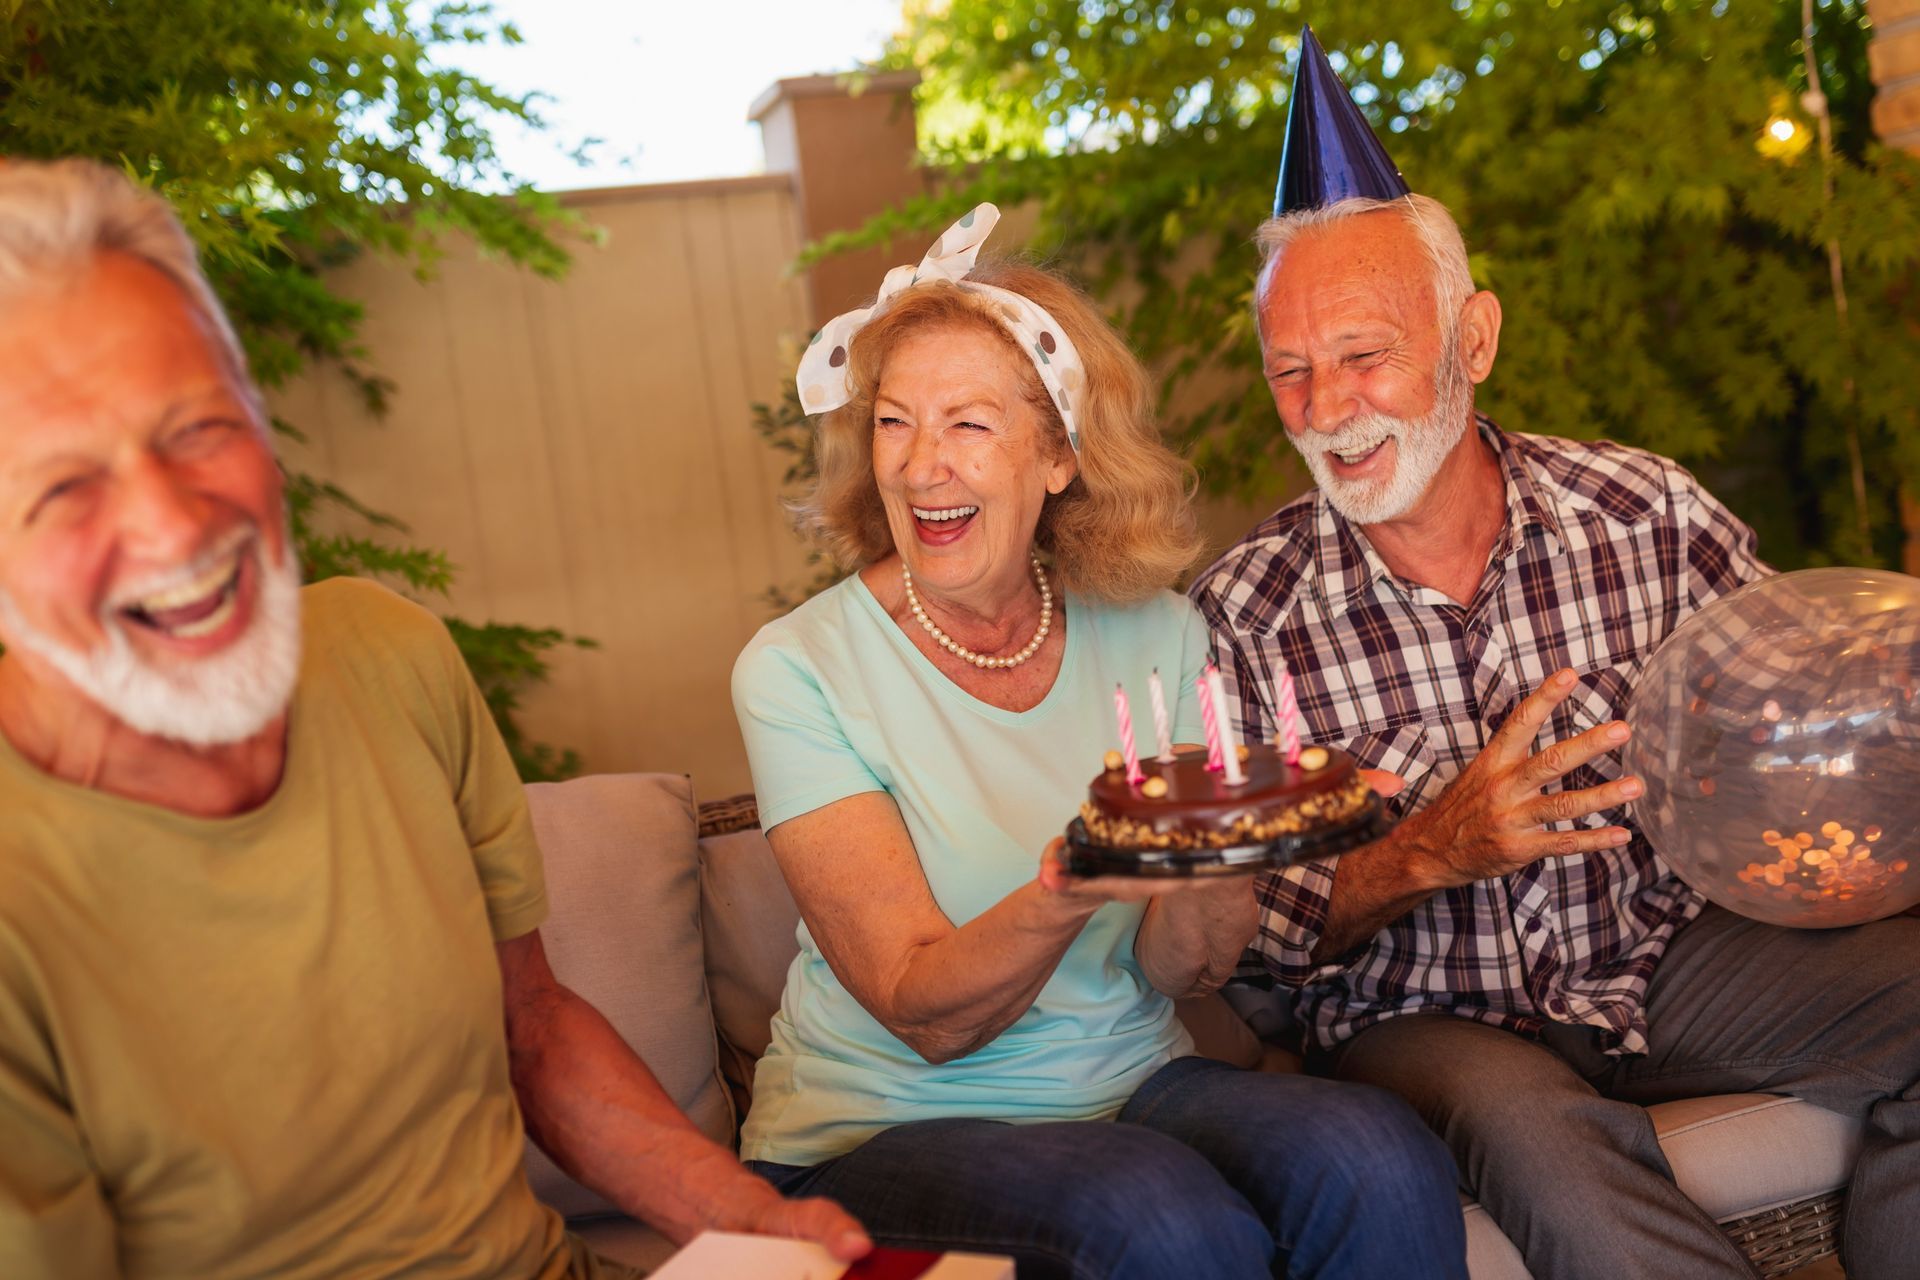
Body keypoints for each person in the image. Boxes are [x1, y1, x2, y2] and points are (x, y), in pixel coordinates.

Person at [0, 158, 867, 1279]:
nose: (172, 524)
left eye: (195, 426)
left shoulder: (389, 654)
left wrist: (753, 1216)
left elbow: (537, 1028)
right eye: (62, 487)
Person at [1190, 31, 1920, 1280]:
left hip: (1670, 958)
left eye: (1361, 356)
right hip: (1421, 1019)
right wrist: (1433, 844)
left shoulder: (1648, 514)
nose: (1324, 409)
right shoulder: (1241, 617)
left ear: (1471, 341)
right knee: (1541, 1136)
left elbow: (1799, 731)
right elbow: (1239, 947)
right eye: (1290, 373)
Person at [733, 201, 1467, 1280]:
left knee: (1381, 1151)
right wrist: (1079, 875)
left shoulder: (1158, 631)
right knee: (1158, 1214)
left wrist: (1234, 856)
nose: (921, 465)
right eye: (893, 421)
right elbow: (922, 1012)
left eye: (969, 425)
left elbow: (1179, 969)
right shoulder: (800, 666)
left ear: (1059, 456)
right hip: (875, 1128)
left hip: (1130, 1083)